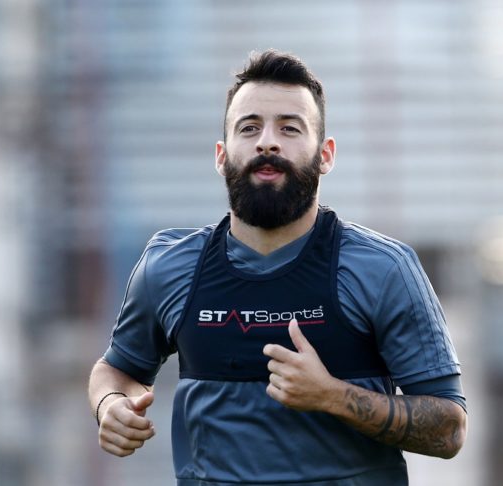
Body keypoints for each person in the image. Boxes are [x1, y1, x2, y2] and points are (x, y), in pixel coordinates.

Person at [88, 49, 467, 486]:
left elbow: (449, 429)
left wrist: (332, 396)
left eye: (289, 128)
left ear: (325, 155)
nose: (267, 142)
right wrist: (110, 404)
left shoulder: (382, 269)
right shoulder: (169, 266)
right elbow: (116, 369)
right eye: (249, 128)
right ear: (221, 156)